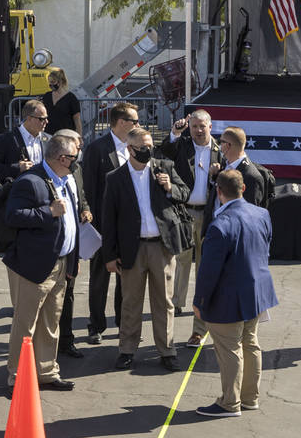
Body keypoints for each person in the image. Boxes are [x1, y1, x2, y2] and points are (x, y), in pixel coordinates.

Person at [100, 127, 190, 372]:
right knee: (131, 302)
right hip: (132, 248)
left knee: (164, 302)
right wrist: (109, 255)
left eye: (150, 146)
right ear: (129, 149)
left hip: (161, 247)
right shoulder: (115, 178)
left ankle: (167, 350)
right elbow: (108, 220)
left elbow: (185, 193)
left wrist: (170, 187)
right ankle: (127, 350)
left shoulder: (164, 167)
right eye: (143, 148)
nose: (148, 151)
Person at [194, 170, 278, 418]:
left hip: (229, 298)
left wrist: (200, 303)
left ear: (218, 192)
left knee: (230, 348)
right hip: (256, 293)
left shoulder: (219, 226)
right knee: (250, 343)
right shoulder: (261, 214)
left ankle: (230, 402)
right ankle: (250, 398)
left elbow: (208, 272)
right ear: (242, 188)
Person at [1, 134, 80, 391]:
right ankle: (17, 376)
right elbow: (13, 216)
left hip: (59, 263)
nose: (77, 162)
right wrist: (49, 212)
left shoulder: (66, 180)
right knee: (26, 324)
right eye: (74, 157)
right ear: (61, 158)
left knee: (50, 321)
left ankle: (46, 371)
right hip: (34, 266)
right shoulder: (31, 181)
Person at [160, 109, 223, 347]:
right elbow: (164, 152)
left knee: (204, 263)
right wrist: (175, 133)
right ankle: (177, 302)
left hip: (209, 214)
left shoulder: (219, 149)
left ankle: (203, 303)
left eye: (202, 127)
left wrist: (218, 174)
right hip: (184, 212)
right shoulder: (183, 145)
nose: (198, 130)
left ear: (210, 126)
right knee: (182, 258)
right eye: (194, 126)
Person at [80, 101, 140, 344]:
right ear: (122, 123)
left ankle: (123, 322)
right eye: (134, 121)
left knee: (126, 279)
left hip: (128, 226)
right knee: (100, 277)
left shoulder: (135, 147)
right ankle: (96, 325)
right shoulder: (98, 149)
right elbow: (89, 187)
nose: (138, 125)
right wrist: (92, 222)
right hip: (103, 226)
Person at [51, 128, 92, 359]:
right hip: (53, 248)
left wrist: (85, 209)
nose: (80, 149)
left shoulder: (76, 170)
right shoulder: (47, 175)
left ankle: (66, 340)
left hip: (73, 245)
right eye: (77, 145)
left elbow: (81, 195)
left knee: (68, 293)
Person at [0, 98, 49, 188]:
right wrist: (17, 168)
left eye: (46, 118)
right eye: (42, 119)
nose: (46, 122)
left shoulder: (48, 140)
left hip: (43, 192)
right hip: (17, 193)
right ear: (29, 119)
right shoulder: (5, 140)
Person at [208, 126, 270, 209]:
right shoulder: (223, 166)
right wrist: (215, 177)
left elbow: (249, 214)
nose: (218, 145)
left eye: (220, 142)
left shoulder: (251, 176)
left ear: (228, 145)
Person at [41, 67, 81, 136]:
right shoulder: (47, 96)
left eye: (53, 82)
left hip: (66, 136)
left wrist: (79, 137)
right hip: (48, 135)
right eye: (49, 82)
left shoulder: (71, 98)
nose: (51, 84)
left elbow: (77, 120)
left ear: (60, 81)